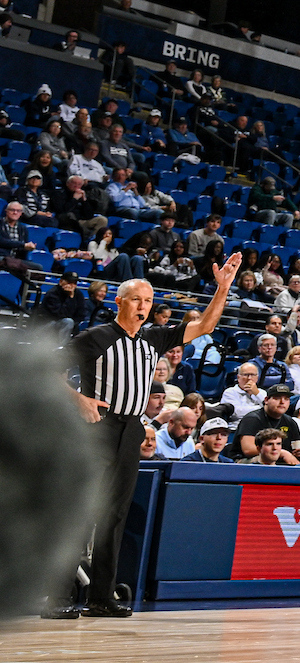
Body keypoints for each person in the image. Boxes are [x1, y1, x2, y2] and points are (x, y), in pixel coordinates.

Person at [54, 253, 241, 616]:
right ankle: (59, 597)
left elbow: (204, 326)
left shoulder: (153, 338)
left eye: (149, 300)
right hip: (97, 428)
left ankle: (100, 597)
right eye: (137, 299)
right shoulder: (97, 337)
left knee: (115, 514)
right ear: (119, 301)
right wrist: (78, 399)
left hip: (132, 429)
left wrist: (222, 289)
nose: (144, 305)